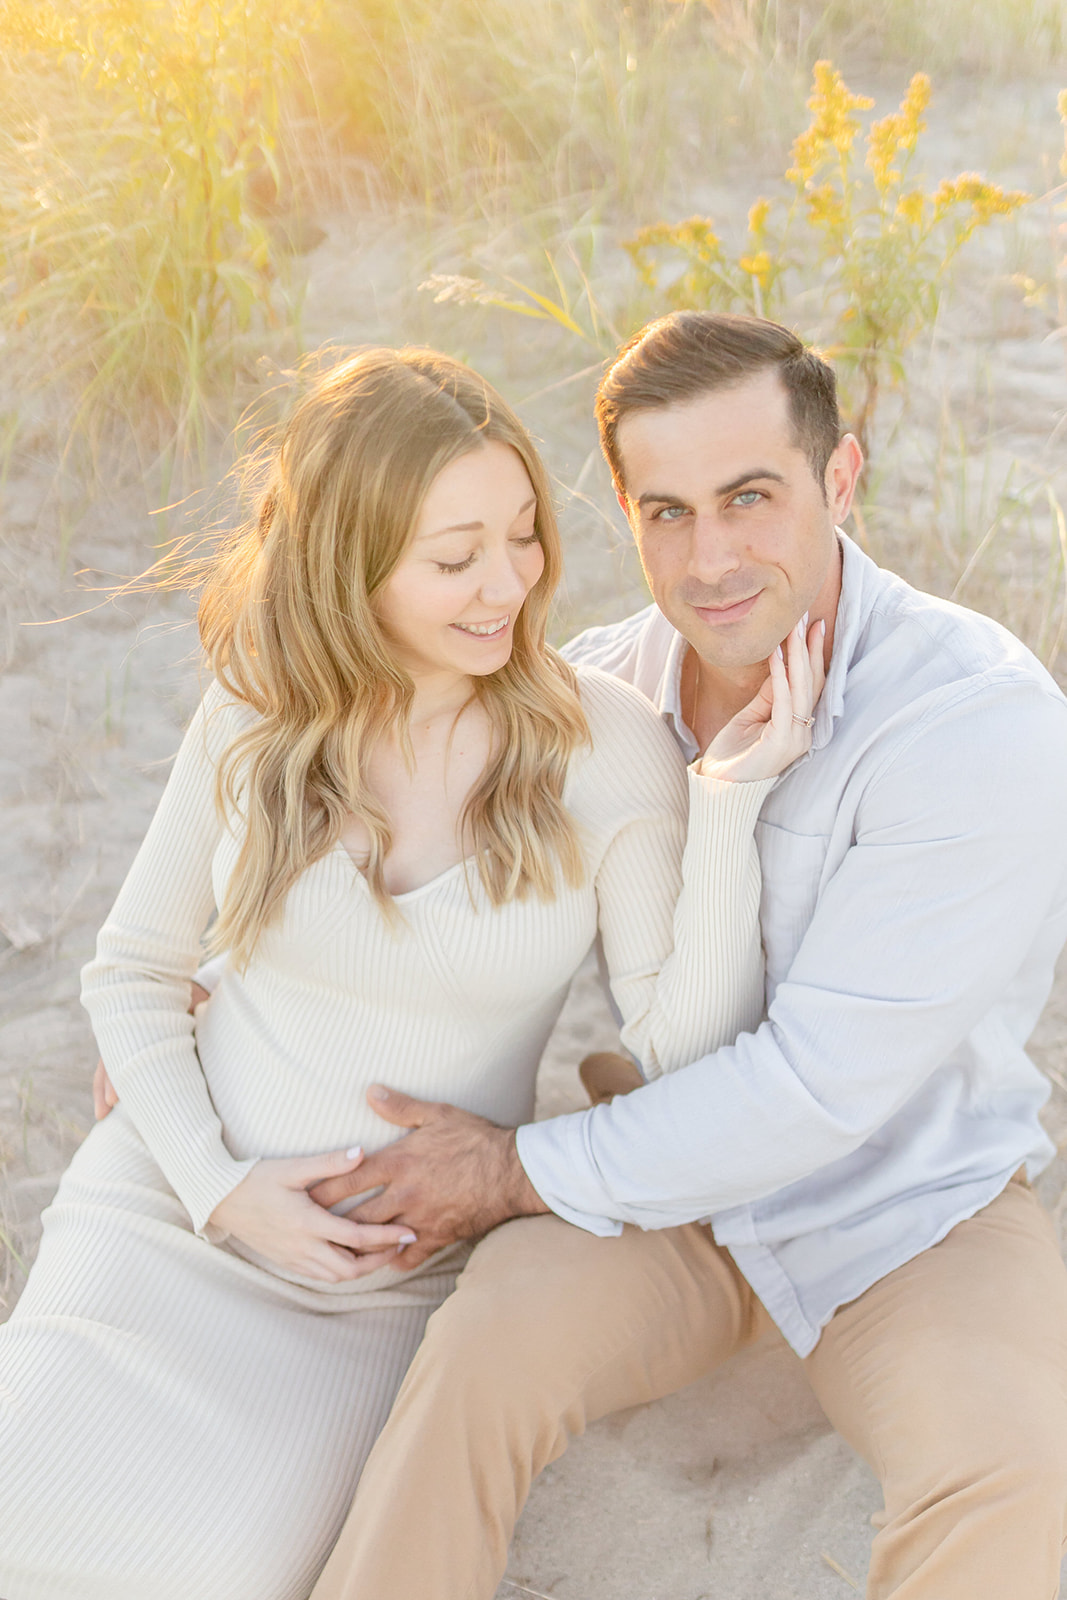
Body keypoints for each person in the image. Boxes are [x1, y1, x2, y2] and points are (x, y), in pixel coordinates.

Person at [0, 345, 819, 1600]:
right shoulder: (256, 713)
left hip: (379, 1285)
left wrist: (724, 803)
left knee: (209, 1571)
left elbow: (679, 1048)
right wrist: (222, 1187)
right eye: (453, 559)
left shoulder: (600, 746)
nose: (507, 585)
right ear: (352, 567)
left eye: (523, 535)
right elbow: (132, 975)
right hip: (166, 1210)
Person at [296, 313, 1067, 1600]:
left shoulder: (968, 720)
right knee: (478, 1358)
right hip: (658, 1199)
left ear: (839, 478)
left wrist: (508, 1168)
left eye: (748, 498)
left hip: (909, 1206)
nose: (707, 557)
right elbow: (395, 840)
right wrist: (214, 976)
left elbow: (817, 1090)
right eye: (665, 511)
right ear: (622, 511)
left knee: (1011, 1472)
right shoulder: (593, 695)